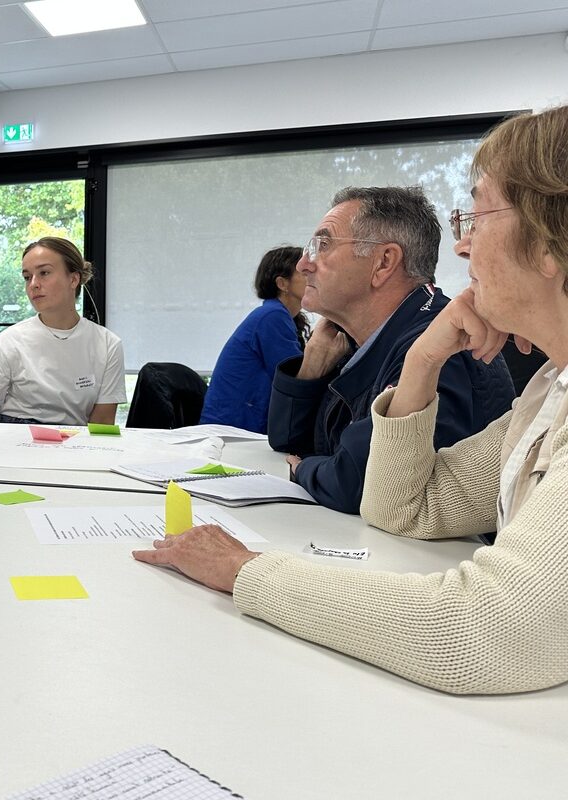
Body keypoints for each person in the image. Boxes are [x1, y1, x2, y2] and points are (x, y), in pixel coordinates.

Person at [133, 105, 568, 695]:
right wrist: (420, 363)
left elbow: (485, 635)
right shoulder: (549, 391)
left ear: (549, 239)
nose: (463, 248)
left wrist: (244, 571)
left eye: (479, 216)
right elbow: (402, 509)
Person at [267, 185, 514, 513]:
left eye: (323, 245)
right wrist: (311, 365)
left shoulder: (442, 346)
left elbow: (358, 481)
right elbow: (287, 440)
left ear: (383, 263)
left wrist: (303, 470)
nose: (303, 265)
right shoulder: (358, 340)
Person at [0, 237, 126, 426]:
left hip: (73, 445)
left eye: (44, 273)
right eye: (27, 277)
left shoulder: (108, 345)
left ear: (74, 279)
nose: (33, 284)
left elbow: (102, 423)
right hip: (14, 441)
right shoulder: (9, 341)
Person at [200, 246, 308, 433]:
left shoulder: (277, 316)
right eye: (303, 272)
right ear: (282, 284)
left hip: (238, 428)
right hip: (231, 432)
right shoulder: (272, 316)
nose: (312, 277)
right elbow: (296, 380)